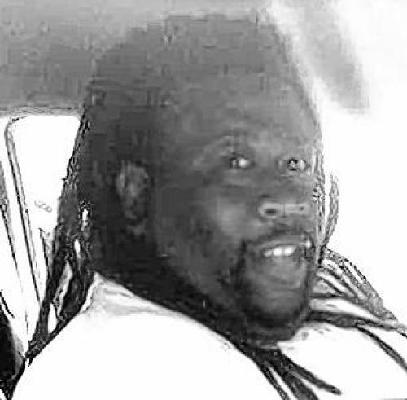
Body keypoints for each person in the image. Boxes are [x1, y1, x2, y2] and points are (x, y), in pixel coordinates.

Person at [13, 15, 407, 400]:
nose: (288, 200)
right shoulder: (112, 374)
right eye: (237, 163)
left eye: (296, 163)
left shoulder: (318, 306)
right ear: (136, 196)